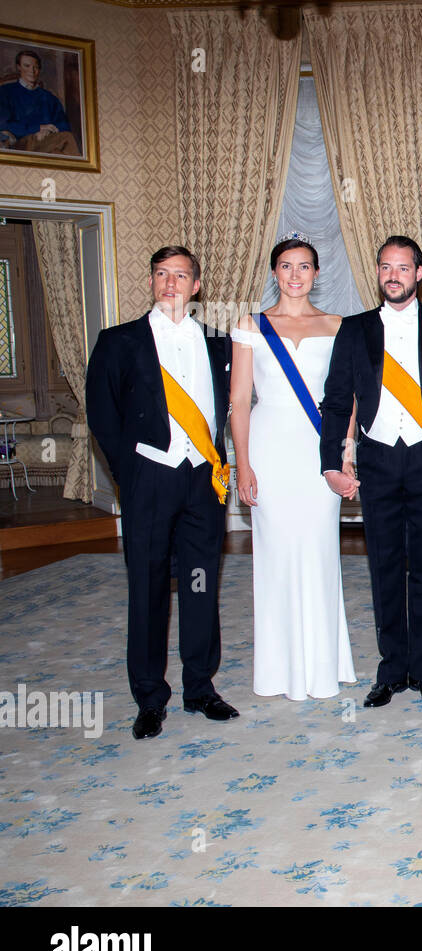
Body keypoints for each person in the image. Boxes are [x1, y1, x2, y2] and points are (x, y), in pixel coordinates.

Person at [85, 245, 237, 739]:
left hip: (202, 480)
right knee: (148, 587)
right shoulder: (119, 341)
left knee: (200, 582)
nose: (170, 283)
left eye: (181, 275)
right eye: (161, 274)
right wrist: (129, 474)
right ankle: (150, 696)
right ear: (152, 282)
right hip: (149, 477)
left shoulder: (219, 342)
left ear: (196, 286)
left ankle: (200, 687)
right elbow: (102, 416)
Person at [319, 235, 422, 708]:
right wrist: (332, 461)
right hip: (379, 460)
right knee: (385, 565)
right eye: (386, 267)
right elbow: (338, 397)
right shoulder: (355, 329)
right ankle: (391, 670)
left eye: (403, 268)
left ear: (420, 273)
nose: (393, 275)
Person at [230, 236, 357, 700]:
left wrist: (345, 453)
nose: (295, 275)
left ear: (317, 274)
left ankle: (324, 664)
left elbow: (348, 399)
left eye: (304, 267)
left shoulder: (339, 325)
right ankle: (279, 670)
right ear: (274, 272)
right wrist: (242, 465)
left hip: (318, 451)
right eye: (286, 266)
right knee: (277, 553)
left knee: (320, 549)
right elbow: (240, 400)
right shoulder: (250, 325)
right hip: (269, 447)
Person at [0, 50, 79, 156]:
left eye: (35, 67)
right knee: (67, 139)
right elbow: (3, 124)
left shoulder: (49, 97)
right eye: (27, 66)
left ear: (39, 69)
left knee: (58, 152)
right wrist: (38, 128)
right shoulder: (5, 92)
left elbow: (64, 124)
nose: (32, 71)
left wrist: (48, 131)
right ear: (19, 67)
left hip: (46, 140)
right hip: (19, 142)